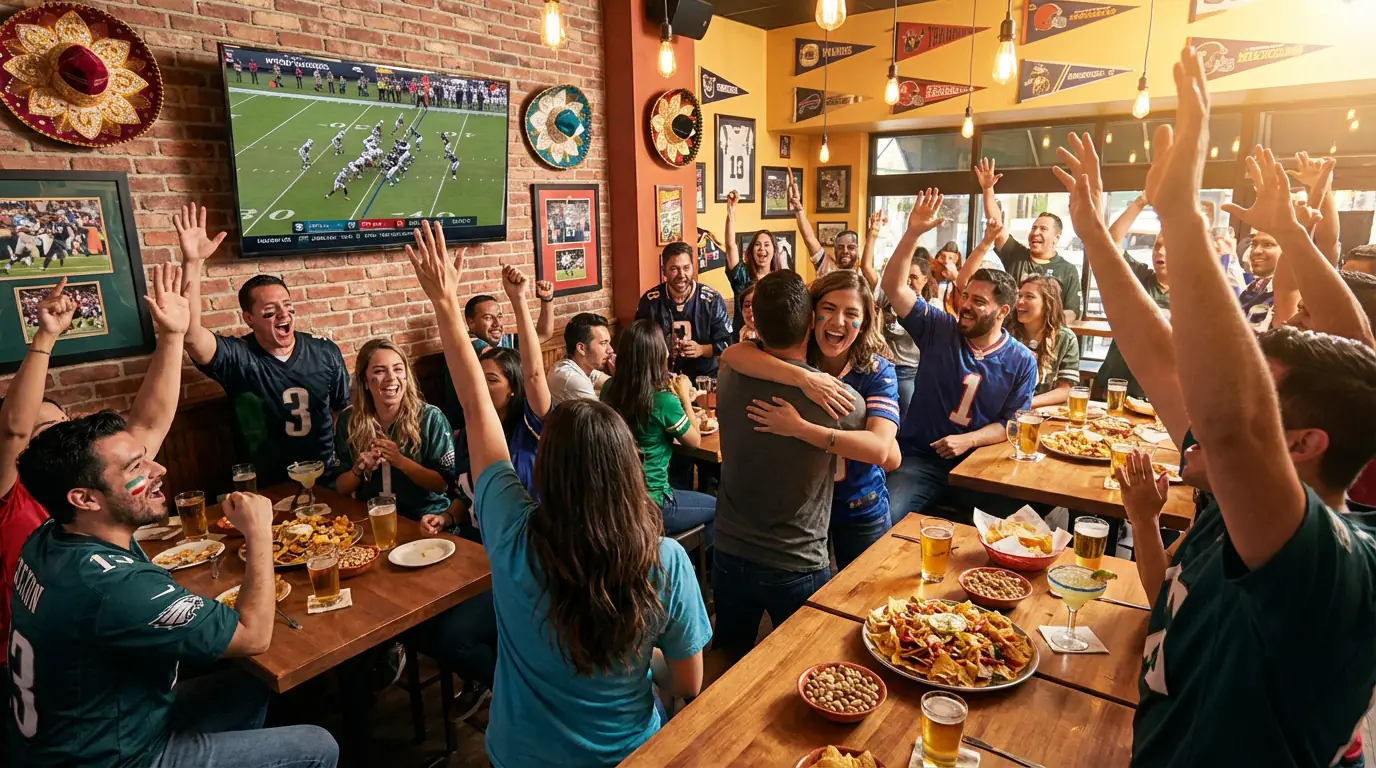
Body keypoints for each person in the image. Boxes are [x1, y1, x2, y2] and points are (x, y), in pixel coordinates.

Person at [1052, 50, 1376, 766]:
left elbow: (1238, 423)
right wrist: (1098, 238)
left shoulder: (1333, 566)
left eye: (1253, 384)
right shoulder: (1227, 507)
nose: (1201, 397)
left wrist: (1180, 212)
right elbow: (1163, 359)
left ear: (1301, 445)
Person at [403, 220, 710, 767]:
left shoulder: (510, 529)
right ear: (625, 469)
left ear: (546, 467)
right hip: (627, 753)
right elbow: (688, 679)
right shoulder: (663, 558)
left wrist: (446, 304)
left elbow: (476, 410)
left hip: (520, 754)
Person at [5, 268, 338, 766]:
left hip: (78, 725)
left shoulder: (49, 535)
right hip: (113, 757)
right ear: (85, 497)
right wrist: (260, 533)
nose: (158, 467)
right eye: (137, 468)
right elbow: (253, 636)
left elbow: (151, 421)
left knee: (248, 691)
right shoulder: (109, 585)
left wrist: (171, 336)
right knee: (318, 744)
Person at [0, 268, 189, 709]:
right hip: (41, 667)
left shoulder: (99, 472)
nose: (60, 435)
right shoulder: (12, 492)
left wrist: (173, 336)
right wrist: (44, 338)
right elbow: (12, 431)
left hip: (104, 636)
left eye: (64, 425)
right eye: (44, 431)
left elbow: (150, 421)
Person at [711, 270, 866, 657]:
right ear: (812, 321)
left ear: (754, 322)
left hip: (730, 547)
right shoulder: (838, 399)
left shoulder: (730, 374)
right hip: (796, 559)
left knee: (727, 655)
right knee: (803, 665)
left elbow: (732, 354)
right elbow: (884, 449)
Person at [720, 269, 902, 568]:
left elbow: (885, 453)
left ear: (865, 321)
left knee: (861, 599)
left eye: (851, 313)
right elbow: (733, 354)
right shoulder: (801, 355)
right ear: (810, 315)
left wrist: (801, 429)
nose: (838, 321)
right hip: (805, 511)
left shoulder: (876, 370)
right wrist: (804, 378)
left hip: (857, 505)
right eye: (828, 309)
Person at [881, 189, 1037, 521]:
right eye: (966, 296)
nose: (965, 306)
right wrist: (912, 233)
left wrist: (968, 441)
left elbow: (1010, 424)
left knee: (1020, 528)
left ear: (1002, 311)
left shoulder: (1021, 360)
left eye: (978, 302)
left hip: (979, 463)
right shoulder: (939, 328)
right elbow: (894, 287)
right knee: (885, 519)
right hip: (921, 459)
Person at [176, 203, 350, 487]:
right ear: (249, 318)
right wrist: (193, 263)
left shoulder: (324, 351)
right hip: (268, 484)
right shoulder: (239, 357)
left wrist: (351, 470)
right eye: (270, 311)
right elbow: (192, 334)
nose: (284, 315)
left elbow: (344, 414)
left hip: (325, 479)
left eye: (288, 307)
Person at [602, 319, 716, 539]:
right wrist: (683, 395)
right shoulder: (663, 401)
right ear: (655, 356)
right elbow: (694, 442)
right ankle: (695, 565)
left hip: (618, 497)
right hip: (654, 502)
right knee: (717, 507)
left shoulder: (610, 388)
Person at [333, 339, 454, 520]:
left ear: (406, 376)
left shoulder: (431, 418)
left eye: (398, 369)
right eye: (379, 371)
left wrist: (400, 461)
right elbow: (340, 487)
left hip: (423, 520)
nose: (391, 378)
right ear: (365, 381)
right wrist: (359, 469)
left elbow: (444, 485)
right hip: (372, 518)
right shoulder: (348, 420)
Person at [976, 158, 1083, 319]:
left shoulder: (1067, 270)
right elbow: (997, 227)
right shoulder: (1017, 255)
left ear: (1056, 237)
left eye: (1043, 229)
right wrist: (988, 189)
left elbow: (1072, 312)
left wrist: (1041, 319)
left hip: (1046, 339)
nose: (1035, 232)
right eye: (1034, 228)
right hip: (1013, 335)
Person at [1095, 197, 1173, 398]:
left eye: (1169, 247)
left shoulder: (1190, 293)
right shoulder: (1140, 276)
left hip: (1161, 389)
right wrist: (1140, 202)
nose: (1160, 252)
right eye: (1157, 246)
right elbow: (1111, 242)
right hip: (1118, 380)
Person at [635, 242, 732, 380]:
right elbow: (638, 343)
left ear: (693, 268)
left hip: (705, 378)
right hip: (661, 378)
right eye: (674, 269)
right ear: (664, 271)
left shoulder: (712, 300)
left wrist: (702, 349)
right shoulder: (650, 301)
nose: (681, 275)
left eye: (686, 268)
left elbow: (728, 344)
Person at [1007, 276, 1079, 407]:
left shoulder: (1066, 338)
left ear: (1048, 304)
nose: (1020, 301)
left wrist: (1026, 403)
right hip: (1005, 411)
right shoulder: (1006, 333)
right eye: (1019, 295)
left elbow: (1065, 390)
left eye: (1029, 296)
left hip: (1044, 412)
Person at [723, 190, 784, 340]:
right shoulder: (741, 276)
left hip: (771, 341)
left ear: (774, 251)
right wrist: (731, 212)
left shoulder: (780, 281)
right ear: (751, 250)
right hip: (742, 339)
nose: (762, 249)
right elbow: (730, 245)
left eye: (766, 245)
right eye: (757, 245)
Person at [879, 253, 932, 418]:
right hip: (885, 367)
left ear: (925, 280)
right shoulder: (888, 302)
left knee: (906, 414)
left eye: (914, 277)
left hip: (909, 371)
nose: (909, 281)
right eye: (906, 277)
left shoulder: (930, 308)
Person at [548, 312, 614, 405]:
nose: (610, 350)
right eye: (603, 343)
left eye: (609, 343)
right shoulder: (570, 377)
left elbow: (613, 385)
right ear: (581, 348)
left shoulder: (584, 366)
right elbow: (604, 416)